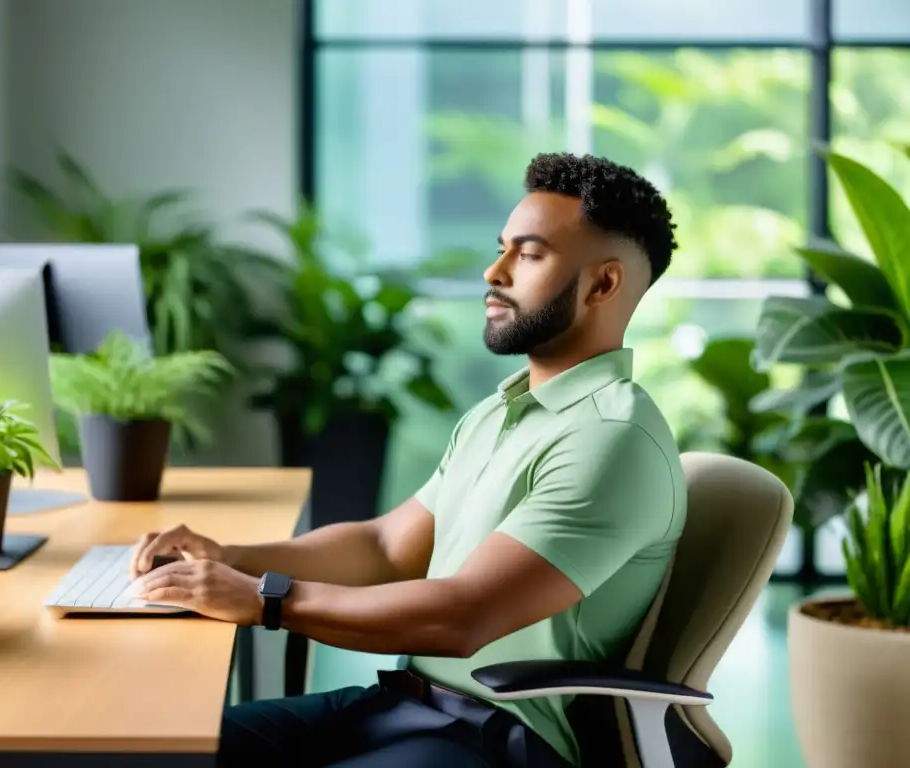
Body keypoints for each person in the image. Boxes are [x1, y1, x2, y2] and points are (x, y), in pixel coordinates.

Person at [129, 153, 686, 767]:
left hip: (497, 741)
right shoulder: (501, 412)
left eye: (527, 255)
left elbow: (464, 617)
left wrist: (266, 598)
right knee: (154, 750)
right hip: (402, 708)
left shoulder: (611, 438)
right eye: (501, 249)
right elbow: (387, 548)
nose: (493, 272)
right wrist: (228, 560)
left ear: (602, 284)